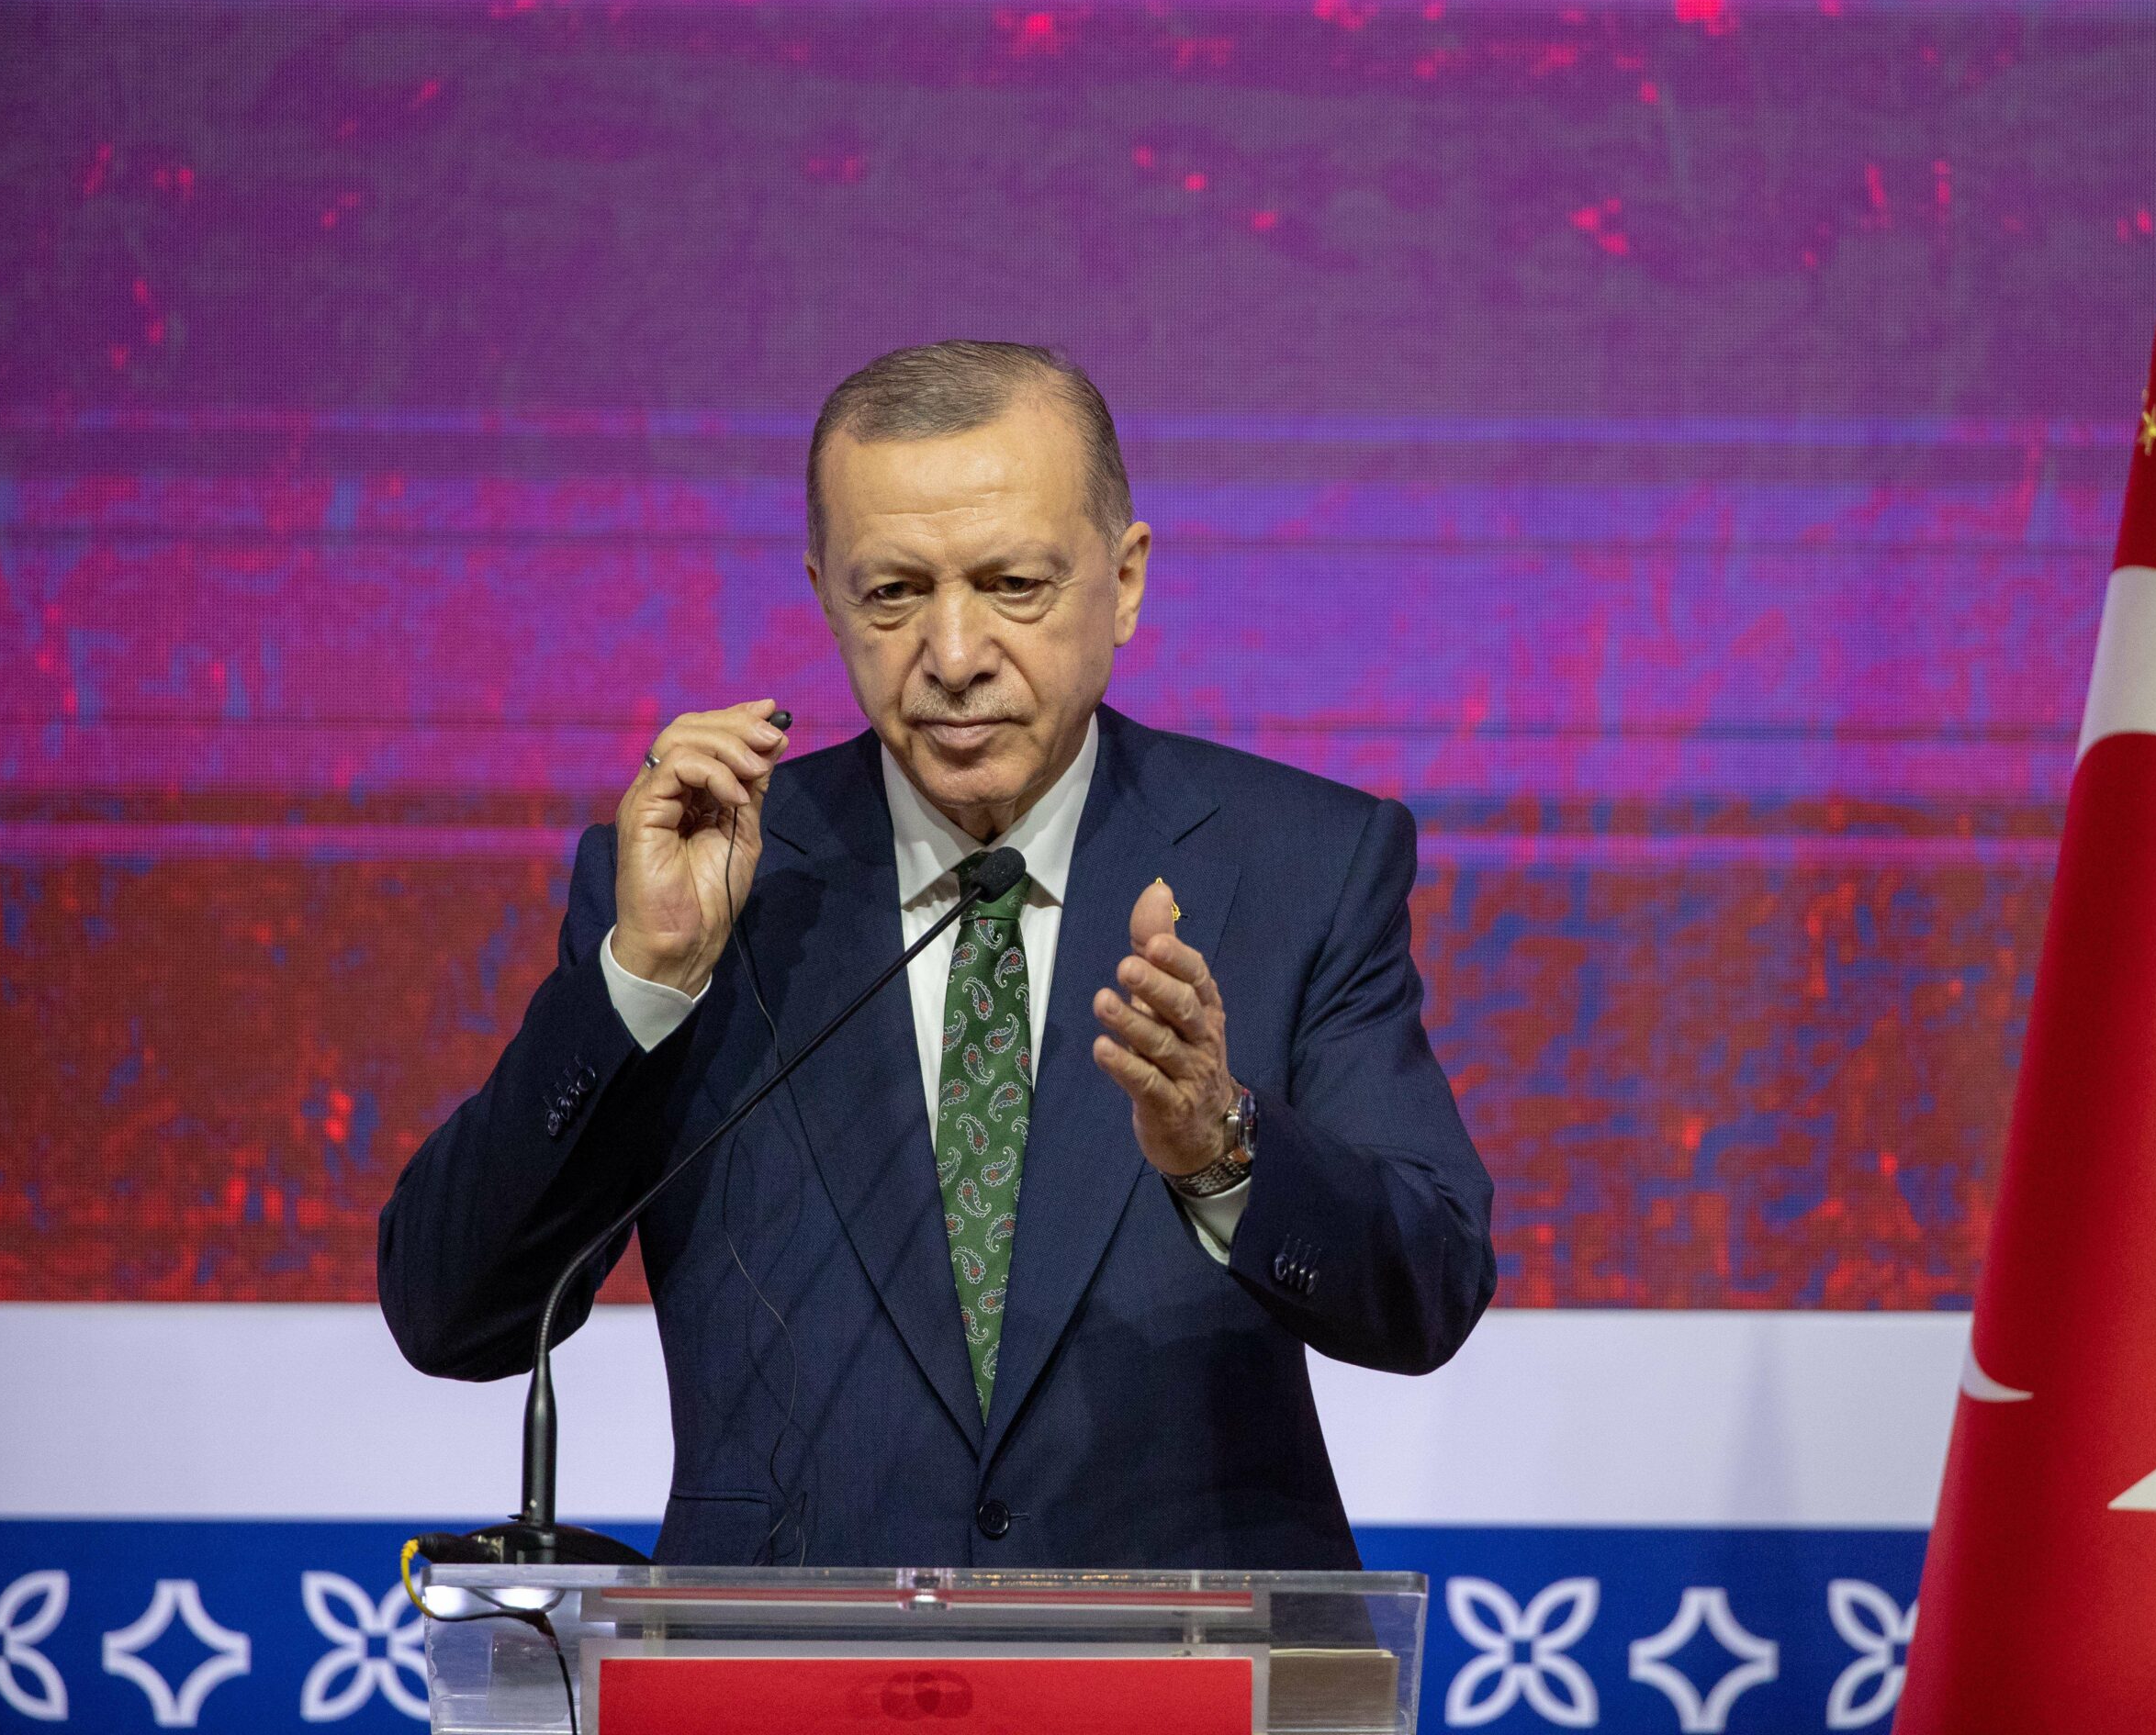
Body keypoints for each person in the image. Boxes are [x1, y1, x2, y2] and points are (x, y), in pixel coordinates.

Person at [377, 341, 1495, 1568]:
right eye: (893, 593)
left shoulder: (1301, 864)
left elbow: (1429, 1291)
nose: (953, 656)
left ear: (1123, 582)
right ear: (823, 591)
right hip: (789, 1685)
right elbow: (454, 1316)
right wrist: (641, 982)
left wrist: (1226, 1149)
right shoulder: (705, 880)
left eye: (1013, 584)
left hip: (1190, 1669)